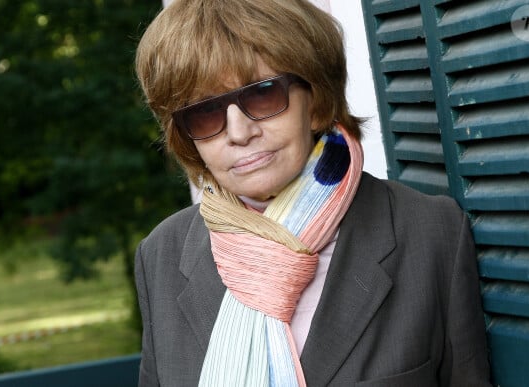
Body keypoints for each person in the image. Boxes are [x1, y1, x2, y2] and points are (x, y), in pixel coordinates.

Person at [133, 0, 492, 385]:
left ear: (317, 103)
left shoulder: (429, 233)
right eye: (204, 113)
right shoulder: (161, 256)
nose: (238, 133)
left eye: (262, 95)